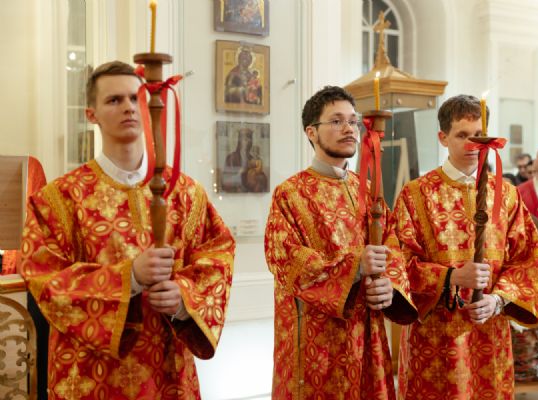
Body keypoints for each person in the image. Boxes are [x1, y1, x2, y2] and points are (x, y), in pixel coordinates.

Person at [20, 61, 235, 399]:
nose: (129, 107)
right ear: (91, 114)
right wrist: (129, 277)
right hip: (93, 376)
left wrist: (184, 298)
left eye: (135, 98)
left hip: (168, 372)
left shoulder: (185, 193)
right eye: (114, 100)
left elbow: (218, 254)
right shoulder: (59, 198)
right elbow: (44, 279)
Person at [264, 86, 417, 399]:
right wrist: (355, 267)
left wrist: (389, 285)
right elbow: (286, 260)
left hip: (368, 332)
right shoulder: (290, 193)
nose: (349, 128)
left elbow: (393, 246)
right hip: (317, 340)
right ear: (311, 132)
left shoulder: (369, 190)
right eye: (336, 121)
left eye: (353, 121)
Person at [393, 94, 538, 400]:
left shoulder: (507, 194)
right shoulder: (416, 194)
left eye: (479, 134)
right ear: (443, 138)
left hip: (490, 331)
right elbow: (399, 263)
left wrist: (498, 301)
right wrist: (451, 277)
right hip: (435, 336)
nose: (473, 143)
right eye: (462, 135)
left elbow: (528, 259)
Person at [223, 127, 268, 192]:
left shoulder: (252, 159)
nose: (247, 142)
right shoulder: (231, 158)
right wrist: (240, 172)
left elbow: (263, 180)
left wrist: (258, 177)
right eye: (245, 139)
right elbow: (225, 182)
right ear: (239, 141)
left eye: (250, 139)